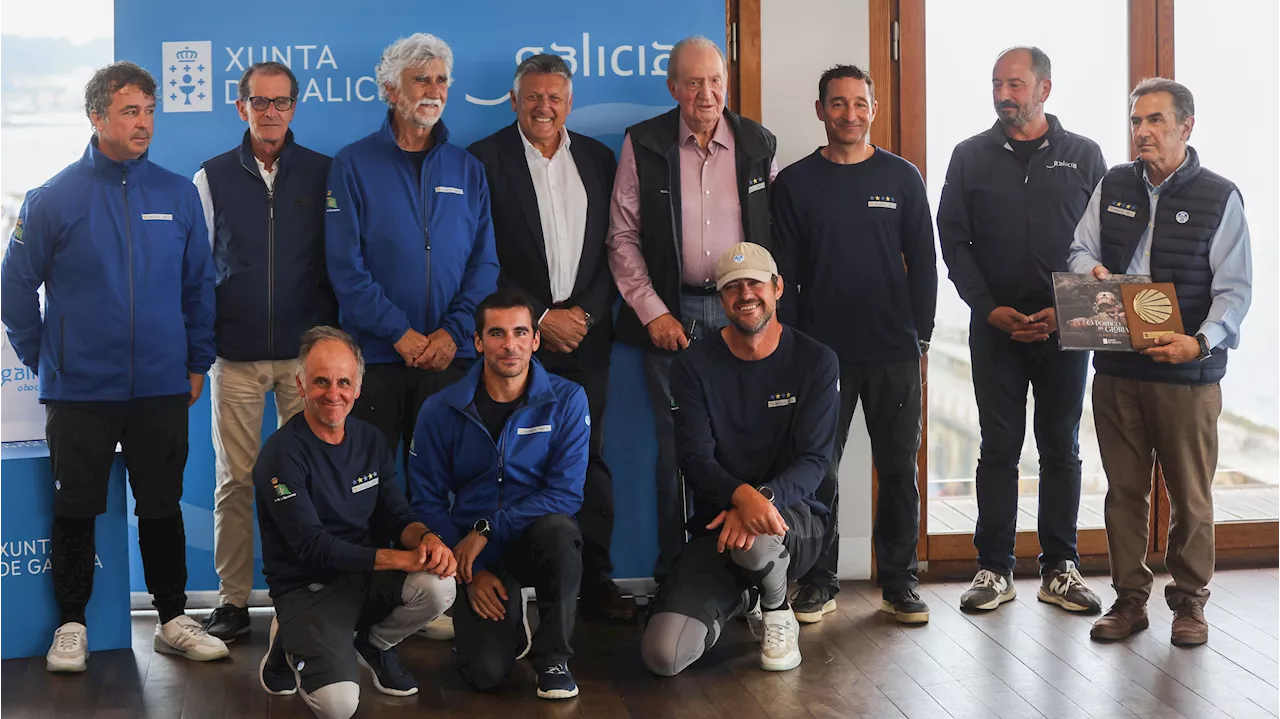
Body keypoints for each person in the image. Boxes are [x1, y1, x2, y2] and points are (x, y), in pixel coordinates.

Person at [0, 62, 226, 672]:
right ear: (97, 117)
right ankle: (71, 624)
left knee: (160, 503)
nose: (144, 123)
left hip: (160, 385)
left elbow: (199, 286)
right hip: (80, 392)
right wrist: (45, 354)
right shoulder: (51, 199)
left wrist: (196, 359)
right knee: (76, 506)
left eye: (150, 110)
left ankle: (174, 617)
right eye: (130, 111)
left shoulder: (177, 194)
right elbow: (14, 289)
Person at [1068, 78, 1252, 647]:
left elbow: (1235, 292)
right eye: (1135, 121)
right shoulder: (1114, 184)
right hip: (1117, 370)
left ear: (1185, 126)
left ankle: (1190, 604)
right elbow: (1079, 249)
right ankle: (1128, 602)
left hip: (1187, 374)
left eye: (1154, 121)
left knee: (1190, 495)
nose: (1142, 132)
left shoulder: (1220, 196)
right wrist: (1092, 272)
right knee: (1124, 492)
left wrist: (1197, 343)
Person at [937, 46, 1107, 613]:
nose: (1004, 94)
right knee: (999, 447)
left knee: (1062, 446)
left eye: (1015, 84)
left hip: (1067, 325)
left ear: (1044, 89)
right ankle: (994, 570)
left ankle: (1060, 567)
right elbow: (953, 239)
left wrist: (1070, 310)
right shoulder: (968, 156)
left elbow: (1104, 245)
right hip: (996, 327)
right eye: (996, 84)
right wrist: (986, 306)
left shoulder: (1084, 155)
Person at [467, 54, 633, 622]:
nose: (544, 107)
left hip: (587, 340)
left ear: (569, 101)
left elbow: (618, 247)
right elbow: (481, 254)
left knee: (590, 461)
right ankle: (499, 581)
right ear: (514, 101)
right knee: (503, 459)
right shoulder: (483, 160)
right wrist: (539, 318)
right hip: (514, 342)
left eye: (555, 97)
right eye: (533, 97)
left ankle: (595, 583)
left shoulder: (597, 157)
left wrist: (584, 312)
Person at [607, 36, 779, 581]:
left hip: (744, 312)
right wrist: (653, 312)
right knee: (673, 451)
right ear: (673, 87)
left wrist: (767, 302)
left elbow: (775, 233)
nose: (706, 93)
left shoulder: (758, 142)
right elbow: (622, 236)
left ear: (725, 83)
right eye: (693, 82)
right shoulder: (646, 142)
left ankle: (748, 572)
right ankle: (674, 573)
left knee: (746, 441)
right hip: (672, 315)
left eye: (715, 81)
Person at [773, 65, 937, 625]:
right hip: (820, 357)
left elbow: (924, 264)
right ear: (820, 111)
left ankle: (900, 582)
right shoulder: (794, 184)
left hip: (893, 349)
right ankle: (820, 580)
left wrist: (924, 335)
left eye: (859, 103)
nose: (850, 114)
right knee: (820, 470)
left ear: (873, 110)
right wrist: (790, 349)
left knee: (897, 470)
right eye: (838, 104)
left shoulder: (902, 176)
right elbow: (783, 279)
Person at [640, 243, 839, 676]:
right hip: (718, 529)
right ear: (721, 298)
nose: (744, 294)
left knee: (759, 539)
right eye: (732, 287)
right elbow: (694, 457)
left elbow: (813, 461)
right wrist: (738, 496)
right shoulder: (694, 365)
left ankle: (777, 606)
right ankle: (749, 595)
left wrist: (759, 499)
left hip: (794, 522)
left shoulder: (817, 361)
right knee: (663, 656)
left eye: (754, 283)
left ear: (777, 288)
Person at [194, 61, 337, 642]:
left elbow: (341, 262)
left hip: (308, 362)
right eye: (260, 102)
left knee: (310, 480)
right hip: (238, 357)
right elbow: (196, 271)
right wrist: (199, 350)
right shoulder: (212, 177)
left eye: (281, 102)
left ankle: (305, 592)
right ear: (241, 107)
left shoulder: (326, 174)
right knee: (236, 481)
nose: (271, 112)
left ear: (295, 107)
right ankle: (232, 602)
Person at [253, 326, 457, 718]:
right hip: (307, 586)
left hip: (363, 577)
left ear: (358, 387)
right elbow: (312, 547)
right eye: (321, 382)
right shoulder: (281, 455)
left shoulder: (370, 440)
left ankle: (374, 644)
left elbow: (395, 513)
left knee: (439, 587)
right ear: (300, 384)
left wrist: (427, 540)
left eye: (344, 382)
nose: (333, 393)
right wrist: (402, 560)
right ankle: (289, 640)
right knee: (340, 704)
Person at [325, 31, 498, 476]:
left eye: (441, 80)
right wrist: (398, 333)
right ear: (391, 90)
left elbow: (484, 266)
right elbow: (346, 269)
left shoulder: (467, 168)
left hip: (450, 358)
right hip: (377, 358)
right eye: (421, 79)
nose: (434, 90)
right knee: (369, 489)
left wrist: (450, 334)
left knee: (447, 484)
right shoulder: (352, 164)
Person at [409, 289, 591, 699]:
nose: (510, 345)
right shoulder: (441, 409)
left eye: (520, 333)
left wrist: (490, 527)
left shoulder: (566, 399)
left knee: (562, 532)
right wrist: (465, 570)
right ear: (477, 342)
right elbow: (427, 502)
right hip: (475, 555)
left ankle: (554, 658)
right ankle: (509, 625)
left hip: (534, 537)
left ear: (535, 340)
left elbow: (566, 493)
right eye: (496, 334)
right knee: (484, 675)